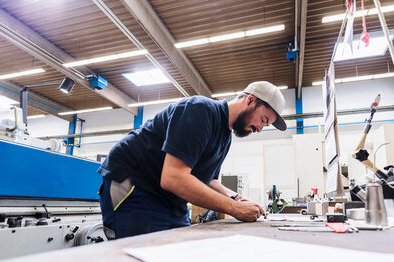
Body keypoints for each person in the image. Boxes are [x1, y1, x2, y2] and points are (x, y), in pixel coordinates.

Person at [98, 81, 287, 239]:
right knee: (141, 256)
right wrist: (234, 208)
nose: (260, 129)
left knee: (180, 248)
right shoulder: (199, 111)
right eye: (263, 120)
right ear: (250, 100)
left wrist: (236, 198)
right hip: (135, 184)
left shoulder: (225, 137)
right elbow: (173, 178)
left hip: (167, 196)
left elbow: (208, 180)